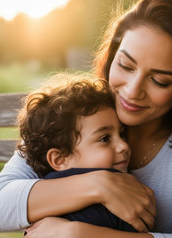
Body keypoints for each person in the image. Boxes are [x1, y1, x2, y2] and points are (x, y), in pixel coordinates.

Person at [0, 0, 172, 237]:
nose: (132, 91)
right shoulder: (74, 116)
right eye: (126, 65)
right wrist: (100, 185)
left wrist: (76, 234)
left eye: (160, 81)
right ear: (112, 55)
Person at [16, 77, 135, 232]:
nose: (123, 146)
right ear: (59, 159)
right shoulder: (118, 197)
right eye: (105, 138)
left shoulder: (41, 199)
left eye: (122, 134)